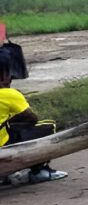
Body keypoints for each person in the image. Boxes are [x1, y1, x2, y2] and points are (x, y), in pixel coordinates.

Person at [0, 51, 68, 184]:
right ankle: (39, 171)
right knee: (45, 127)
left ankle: (8, 174)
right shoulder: (9, 95)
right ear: (3, 76)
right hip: (2, 149)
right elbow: (31, 119)